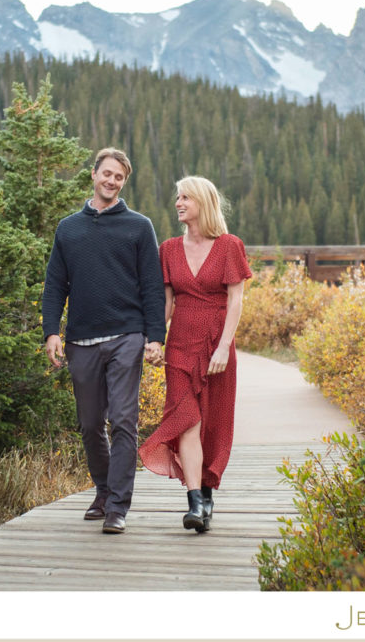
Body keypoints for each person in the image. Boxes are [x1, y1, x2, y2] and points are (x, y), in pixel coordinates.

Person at [42, 147, 166, 535]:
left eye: (120, 178)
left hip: (127, 336)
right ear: (93, 174)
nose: (112, 181)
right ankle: (103, 489)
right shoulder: (68, 228)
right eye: (107, 174)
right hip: (81, 340)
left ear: (123, 183)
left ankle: (117, 507)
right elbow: (54, 286)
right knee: (90, 422)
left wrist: (155, 337)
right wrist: (51, 332)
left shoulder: (139, 226)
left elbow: (152, 287)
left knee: (124, 420)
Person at [138, 176, 253, 533]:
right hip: (181, 346)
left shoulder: (230, 245)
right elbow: (167, 302)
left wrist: (223, 346)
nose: (178, 203)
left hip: (218, 346)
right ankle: (194, 503)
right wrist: (155, 339)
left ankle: (207, 492)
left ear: (202, 202)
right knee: (186, 419)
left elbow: (236, 299)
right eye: (177, 197)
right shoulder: (169, 249)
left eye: (185, 197)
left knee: (214, 423)